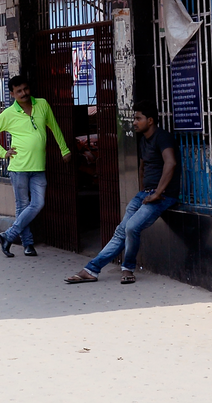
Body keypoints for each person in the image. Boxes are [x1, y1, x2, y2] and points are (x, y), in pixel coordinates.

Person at [65, 106, 179, 285]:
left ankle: (128, 268)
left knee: (131, 227)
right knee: (121, 231)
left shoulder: (163, 137)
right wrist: (144, 192)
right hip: (146, 194)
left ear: (150, 121)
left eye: (138, 118)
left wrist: (157, 193)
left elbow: (170, 163)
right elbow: (142, 168)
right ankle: (91, 270)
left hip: (163, 195)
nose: (134, 122)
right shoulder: (143, 140)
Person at [0, 74, 71, 257]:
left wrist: (64, 150)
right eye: (19, 91)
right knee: (22, 206)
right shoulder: (9, 113)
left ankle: (8, 235)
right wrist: (2, 153)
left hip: (38, 167)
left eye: (25, 89)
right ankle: (28, 244)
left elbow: (54, 127)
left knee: (38, 203)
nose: (23, 93)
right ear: (12, 94)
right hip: (19, 167)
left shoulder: (42, 104)